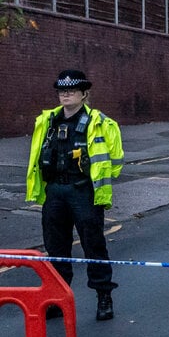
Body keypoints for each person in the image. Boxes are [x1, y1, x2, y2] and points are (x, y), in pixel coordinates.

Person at [26, 69, 124, 321]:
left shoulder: (100, 122)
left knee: (94, 246)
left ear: (83, 94)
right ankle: (58, 300)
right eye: (62, 90)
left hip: (83, 191)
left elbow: (115, 159)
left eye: (71, 90)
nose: (66, 94)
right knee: (56, 249)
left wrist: (97, 182)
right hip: (55, 192)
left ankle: (104, 297)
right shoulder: (47, 121)